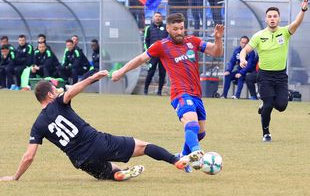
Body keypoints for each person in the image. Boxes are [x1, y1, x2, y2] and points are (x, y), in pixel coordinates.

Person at [0, 70, 194, 182]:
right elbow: (74, 90)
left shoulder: (37, 125)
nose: (58, 90)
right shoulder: (59, 101)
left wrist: (15, 177)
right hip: (97, 142)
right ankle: (175, 160)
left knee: (109, 171)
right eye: (55, 88)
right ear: (50, 95)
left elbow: (29, 156)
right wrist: (94, 77)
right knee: (143, 146)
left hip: (80, 160)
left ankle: (116, 173)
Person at [112, 13, 224, 172]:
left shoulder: (192, 41)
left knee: (200, 132)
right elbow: (140, 59)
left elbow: (216, 52)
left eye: (182, 28)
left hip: (196, 94)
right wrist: (121, 71)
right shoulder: (161, 45)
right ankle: (196, 154)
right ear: (169, 29)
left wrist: (218, 39)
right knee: (191, 124)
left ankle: (183, 156)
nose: (179, 32)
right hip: (180, 93)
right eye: (176, 29)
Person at [240, 0, 308, 142]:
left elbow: (296, 23)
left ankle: (264, 103)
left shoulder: (285, 32)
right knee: (269, 105)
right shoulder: (259, 36)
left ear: (279, 18)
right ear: (266, 19)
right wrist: (242, 59)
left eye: (275, 16)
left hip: (281, 76)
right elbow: (245, 50)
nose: (272, 19)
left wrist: (302, 10)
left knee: (281, 106)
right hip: (264, 76)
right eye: (269, 16)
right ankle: (266, 133)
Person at [144, 12, 169, 95]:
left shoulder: (166, 28)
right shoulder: (149, 28)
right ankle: (145, 90)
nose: (158, 18)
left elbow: (169, 40)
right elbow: (146, 41)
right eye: (156, 16)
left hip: (163, 55)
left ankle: (159, 92)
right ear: (153, 18)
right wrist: (148, 53)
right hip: (153, 55)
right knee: (150, 72)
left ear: (161, 18)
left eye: (159, 16)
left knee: (162, 73)